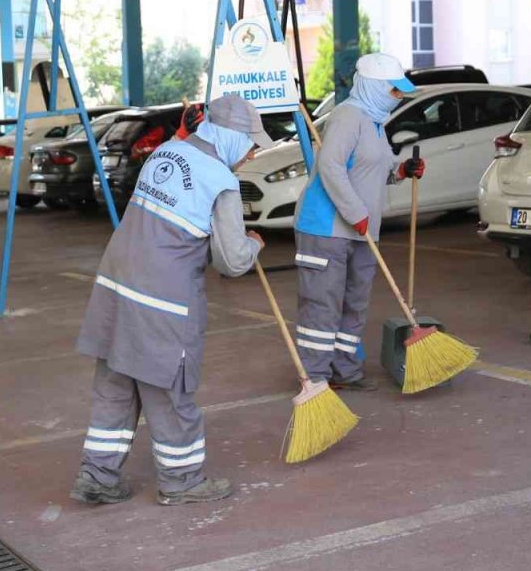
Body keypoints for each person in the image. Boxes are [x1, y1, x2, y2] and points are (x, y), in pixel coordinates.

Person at [72, 94, 267, 506]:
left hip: (115, 285)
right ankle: (182, 481)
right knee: (169, 389)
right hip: (163, 299)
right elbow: (231, 261)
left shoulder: (166, 151)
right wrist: (253, 245)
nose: (252, 154)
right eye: (251, 144)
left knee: (116, 383)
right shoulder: (221, 180)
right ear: (233, 137)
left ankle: (97, 475)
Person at [291, 53, 426, 391]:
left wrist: (400, 170)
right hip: (326, 228)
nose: (398, 97)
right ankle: (316, 378)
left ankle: (346, 371)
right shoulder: (348, 117)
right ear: (373, 87)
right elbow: (330, 166)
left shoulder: (376, 121)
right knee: (323, 305)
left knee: (355, 303)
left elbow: (375, 168)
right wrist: (355, 213)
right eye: (393, 90)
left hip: (363, 230)